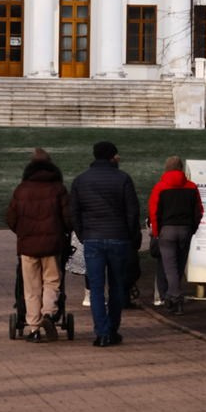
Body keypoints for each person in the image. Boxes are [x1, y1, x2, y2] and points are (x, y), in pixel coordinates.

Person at [68, 139, 142, 347]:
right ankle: (112, 329)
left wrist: (83, 234)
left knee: (96, 288)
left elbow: (74, 212)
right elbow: (132, 211)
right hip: (118, 237)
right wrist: (131, 237)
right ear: (111, 156)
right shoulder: (123, 178)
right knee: (117, 286)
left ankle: (102, 332)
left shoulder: (81, 180)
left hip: (93, 238)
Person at [4, 153, 71, 338]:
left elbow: (11, 218)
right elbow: (68, 218)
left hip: (28, 245)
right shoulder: (58, 188)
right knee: (52, 281)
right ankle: (48, 313)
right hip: (52, 244)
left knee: (31, 287)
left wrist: (23, 232)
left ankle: (34, 328)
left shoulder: (21, 189)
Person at [149, 156, 202, 314]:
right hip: (185, 230)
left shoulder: (160, 187)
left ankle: (175, 298)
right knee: (179, 265)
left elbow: (154, 212)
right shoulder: (192, 187)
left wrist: (157, 232)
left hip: (167, 231)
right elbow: (198, 211)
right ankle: (172, 296)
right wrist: (193, 229)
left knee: (170, 267)